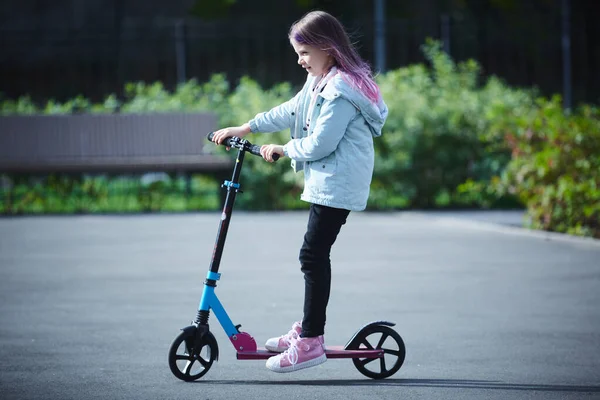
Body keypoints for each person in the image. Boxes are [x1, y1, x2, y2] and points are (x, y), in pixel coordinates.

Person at [211, 10, 388, 373]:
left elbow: (322, 143)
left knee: (312, 255)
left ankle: (311, 341)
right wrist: (247, 127)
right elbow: (291, 111)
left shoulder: (340, 90)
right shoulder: (321, 80)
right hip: (330, 181)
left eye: (305, 52)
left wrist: (283, 149)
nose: (299, 60)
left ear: (326, 48)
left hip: (338, 183)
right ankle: (309, 331)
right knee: (313, 254)